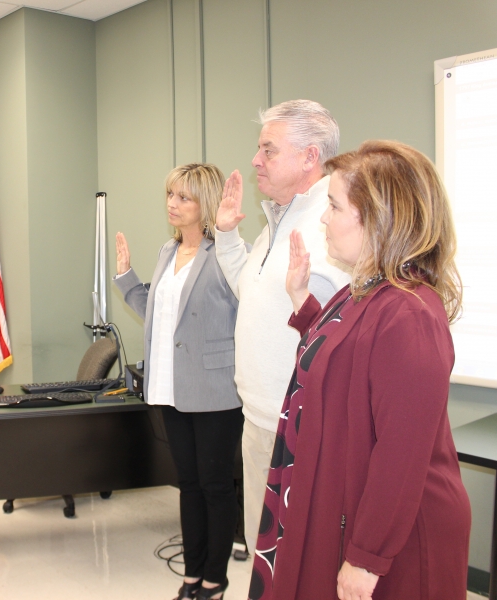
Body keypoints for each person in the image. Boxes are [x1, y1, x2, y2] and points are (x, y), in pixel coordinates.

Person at [248, 140, 471, 600]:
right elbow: (347, 362)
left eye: (334, 206)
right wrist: (302, 302)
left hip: (397, 538)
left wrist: (368, 556)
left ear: (377, 218)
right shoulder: (368, 292)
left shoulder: (409, 312)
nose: (325, 219)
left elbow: (402, 451)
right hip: (350, 507)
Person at [214, 100, 351, 554]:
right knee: (263, 557)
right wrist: (228, 236)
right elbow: (250, 291)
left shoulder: (335, 224)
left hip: (301, 426)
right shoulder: (279, 218)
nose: (255, 160)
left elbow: (343, 330)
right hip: (258, 418)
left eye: (268, 150)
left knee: (300, 564)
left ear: (310, 157)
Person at [114, 163, 244, 600]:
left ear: (203, 203)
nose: (172, 203)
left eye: (183, 197)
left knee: (215, 485)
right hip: (170, 388)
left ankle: (215, 579)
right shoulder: (168, 253)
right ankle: (192, 575)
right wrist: (126, 276)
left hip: (215, 391)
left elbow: (245, 311)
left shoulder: (224, 253)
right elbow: (157, 311)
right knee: (188, 485)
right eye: (170, 194)